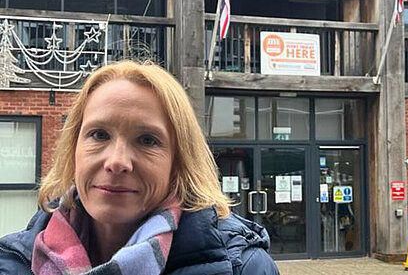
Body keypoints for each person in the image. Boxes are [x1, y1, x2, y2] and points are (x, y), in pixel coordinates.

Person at [0, 60, 279, 274]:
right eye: (99, 135)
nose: (117, 162)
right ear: (73, 149)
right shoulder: (12, 262)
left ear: (179, 162)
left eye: (147, 140)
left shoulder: (243, 266)